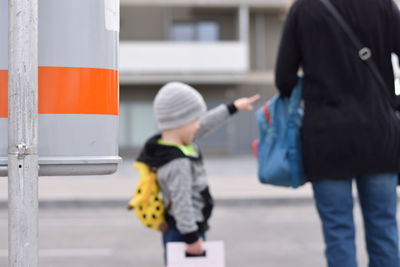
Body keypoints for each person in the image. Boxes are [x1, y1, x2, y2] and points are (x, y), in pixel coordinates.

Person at [275, 0, 400, 266]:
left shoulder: (304, 8)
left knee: (338, 232)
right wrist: (393, 101)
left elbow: (284, 80)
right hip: (380, 133)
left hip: (326, 136)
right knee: (384, 228)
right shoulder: (383, 5)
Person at [136, 82, 259, 262]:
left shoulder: (173, 144)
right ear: (179, 122)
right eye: (194, 121)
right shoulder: (178, 162)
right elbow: (181, 202)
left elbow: (206, 124)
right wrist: (191, 238)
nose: (197, 126)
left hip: (182, 229)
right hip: (185, 233)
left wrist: (233, 108)